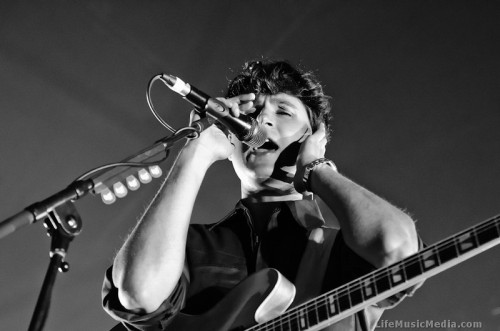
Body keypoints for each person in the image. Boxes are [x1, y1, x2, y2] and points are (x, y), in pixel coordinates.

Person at [102, 60, 422, 331]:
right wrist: (198, 150)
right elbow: (138, 292)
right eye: (252, 114)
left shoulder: (339, 252)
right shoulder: (188, 248)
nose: (262, 120)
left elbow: (396, 251)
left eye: (283, 112)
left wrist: (315, 167)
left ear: (315, 138)